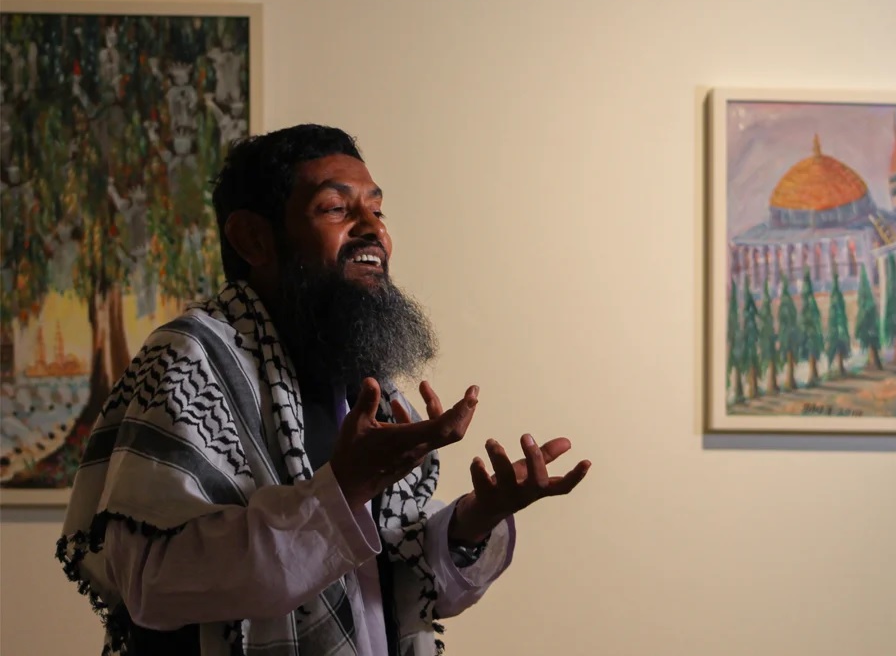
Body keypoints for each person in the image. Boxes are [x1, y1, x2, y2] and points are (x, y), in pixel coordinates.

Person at [57, 124, 591, 656]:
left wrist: (474, 520)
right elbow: (152, 582)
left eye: (377, 211)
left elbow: (389, 580)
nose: (372, 230)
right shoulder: (190, 358)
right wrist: (344, 490)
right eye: (337, 208)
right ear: (253, 239)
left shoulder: (365, 377)